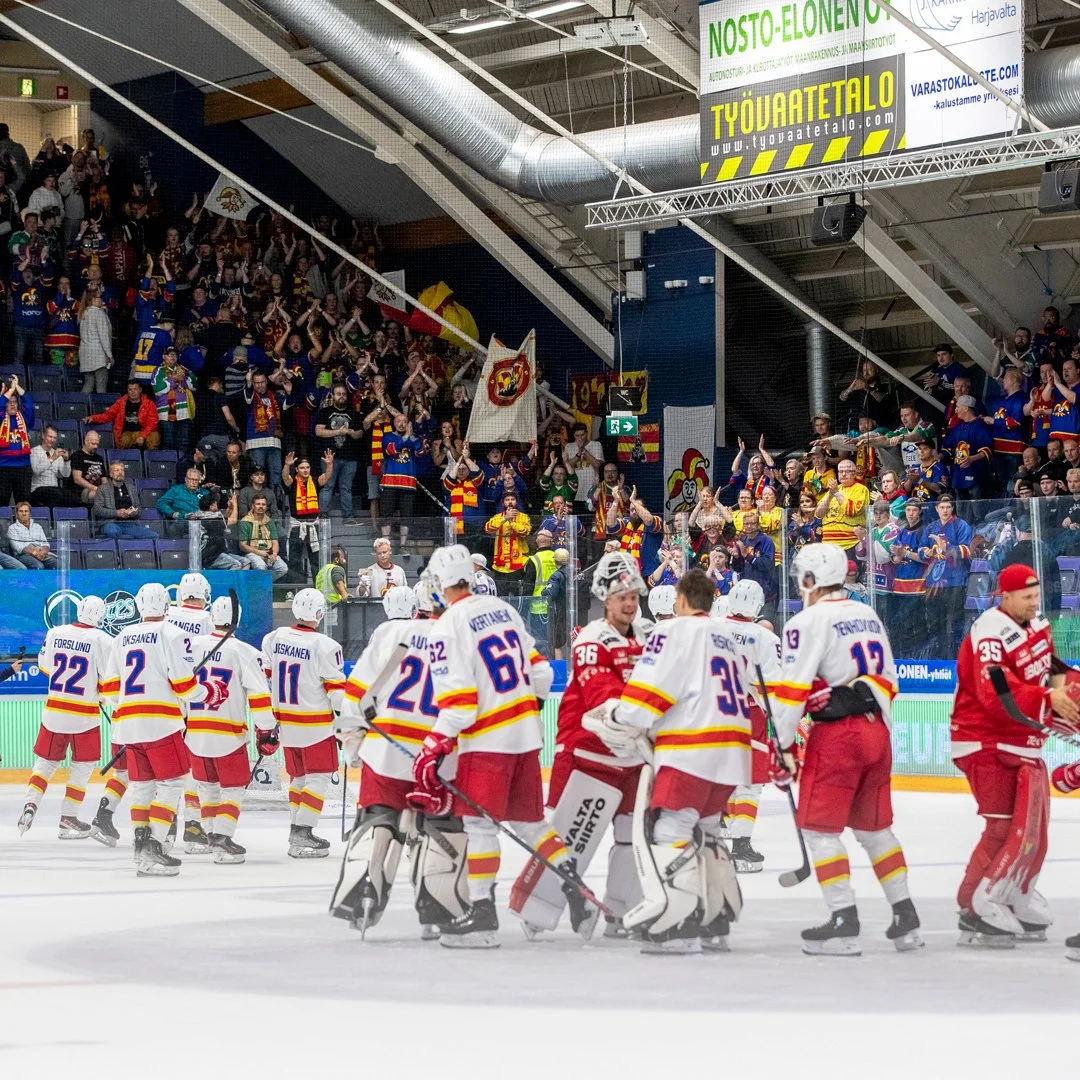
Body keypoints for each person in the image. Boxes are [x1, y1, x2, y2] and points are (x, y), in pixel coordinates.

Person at [410, 544, 594, 948]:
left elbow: (459, 703)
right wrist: (525, 711)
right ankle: (575, 888)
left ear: (441, 584)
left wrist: (432, 744)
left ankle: (482, 916)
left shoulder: (447, 625)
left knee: (479, 826)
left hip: (487, 740)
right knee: (530, 824)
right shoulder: (504, 610)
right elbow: (543, 673)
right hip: (526, 736)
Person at [584, 569, 747, 954]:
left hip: (692, 747)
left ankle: (679, 925)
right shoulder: (729, 636)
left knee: (671, 830)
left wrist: (617, 717)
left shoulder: (674, 631)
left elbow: (647, 697)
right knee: (706, 830)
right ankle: (715, 921)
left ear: (683, 600)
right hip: (732, 749)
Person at [769, 543, 921, 955]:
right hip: (878, 734)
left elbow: (791, 691)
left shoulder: (806, 621)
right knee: (875, 830)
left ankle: (844, 922)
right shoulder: (867, 614)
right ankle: (905, 916)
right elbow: (890, 679)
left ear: (811, 579)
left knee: (819, 830)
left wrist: (780, 746)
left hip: (838, 737)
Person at [510, 551, 648, 939]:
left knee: (629, 837)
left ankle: (621, 913)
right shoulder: (591, 639)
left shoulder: (647, 636)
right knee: (571, 836)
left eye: (633, 595)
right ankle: (538, 910)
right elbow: (603, 699)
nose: (629, 602)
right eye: (622, 596)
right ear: (605, 597)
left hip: (633, 756)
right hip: (589, 754)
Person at [950, 563, 1080, 946]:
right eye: (1026, 597)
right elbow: (996, 695)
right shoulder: (989, 632)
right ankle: (974, 905)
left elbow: (1050, 671)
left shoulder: (1037, 624)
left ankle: (1015, 893)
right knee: (1003, 827)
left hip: (1022, 740)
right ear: (1004, 596)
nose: (1033, 602)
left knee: (1033, 830)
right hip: (984, 740)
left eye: (1036, 595)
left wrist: (1071, 694)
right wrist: (1047, 700)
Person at [333, 584, 469, 938]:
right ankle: (439, 909)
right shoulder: (462, 643)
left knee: (379, 820)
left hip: (385, 751)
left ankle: (361, 895)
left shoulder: (393, 631)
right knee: (439, 828)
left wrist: (353, 739)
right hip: (437, 757)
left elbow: (357, 692)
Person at [104, 582, 226, 877]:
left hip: (128, 725)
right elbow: (184, 686)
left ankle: (140, 845)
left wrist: (129, 707)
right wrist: (210, 691)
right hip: (161, 722)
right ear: (166, 604)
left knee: (142, 787)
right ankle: (155, 846)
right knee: (171, 785)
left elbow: (108, 687)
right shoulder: (173, 634)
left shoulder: (122, 636)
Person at [260, 588, 348, 858]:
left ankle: (297, 831)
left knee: (299, 778)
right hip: (315, 725)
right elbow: (336, 694)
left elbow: (265, 676)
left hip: (285, 723)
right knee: (319, 778)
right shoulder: (326, 645)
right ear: (320, 614)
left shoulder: (273, 638)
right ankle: (303, 832)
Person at [17, 597, 115, 839]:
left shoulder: (55, 633)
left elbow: (45, 667)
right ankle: (68, 819)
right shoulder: (103, 640)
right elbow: (108, 680)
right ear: (100, 616)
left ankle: (30, 804)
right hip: (84, 717)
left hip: (54, 712)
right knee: (82, 768)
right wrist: (101, 695)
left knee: (45, 763)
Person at [187, 595, 274, 865]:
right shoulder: (245, 652)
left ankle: (213, 837)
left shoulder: (191, 647)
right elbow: (259, 698)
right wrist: (267, 731)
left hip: (195, 734)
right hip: (228, 735)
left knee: (207, 789)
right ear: (237, 620)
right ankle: (223, 838)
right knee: (233, 790)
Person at [716, 579, 783, 874]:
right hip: (748, 714)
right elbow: (771, 686)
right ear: (757, 606)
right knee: (749, 783)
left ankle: (711, 841)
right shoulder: (764, 637)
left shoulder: (711, 629)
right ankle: (741, 847)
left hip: (714, 711)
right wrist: (780, 719)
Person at [282, 451, 334, 584]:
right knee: (294, 559)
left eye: (307, 467)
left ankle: (319, 589)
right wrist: (287, 465)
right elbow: (285, 478)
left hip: (313, 526)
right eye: (302, 468)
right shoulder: (293, 482)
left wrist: (329, 464)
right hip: (296, 526)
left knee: (316, 560)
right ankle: (295, 589)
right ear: (297, 469)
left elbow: (327, 477)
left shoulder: (315, 481)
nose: (305, 470)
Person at [314, 382, 362, 518]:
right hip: (330, 457)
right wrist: (338, 431)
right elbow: (318, 431)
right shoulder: (325, 411)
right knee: (328, 486)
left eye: (344, 394)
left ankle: (349, 516)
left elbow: (360, 433)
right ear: (333, 396)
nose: (341, 397)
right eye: (338, 394)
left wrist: (352, 433)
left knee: (346, 488)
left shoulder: (354, 412)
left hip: (350, 457)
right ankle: (322, 514)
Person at [380, 410, 425, 549]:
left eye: (404, 422)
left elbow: (421, 452)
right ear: (394, 423)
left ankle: (403, 545)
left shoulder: (413, 438)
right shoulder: (388, 436)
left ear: (408, 424)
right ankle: (385, 545)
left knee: (406, 515)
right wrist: (406, 437)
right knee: (386, 514)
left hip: (408, 484)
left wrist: (412, 437)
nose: (401, 424)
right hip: (390, 482)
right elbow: (391, 450)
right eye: (398, 421)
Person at [86, 381, 161, 451]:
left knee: (154, 437)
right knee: (124, 440)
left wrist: (142, 436)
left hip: (144, 431)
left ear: (140, 390)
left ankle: (152, 461)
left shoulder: (149, 403)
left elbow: (153, 423)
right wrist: (93, 418)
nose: (133, 392)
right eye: (130, 389)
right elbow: (108, 415)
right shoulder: (121, 402)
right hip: (128, 433)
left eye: (135, 389)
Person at [152, 345, 197, 458]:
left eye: (175, 354)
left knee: (184, 443)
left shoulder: (183, 369)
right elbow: (158, 389)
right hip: (166, 414)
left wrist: (185, 376)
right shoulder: (159, 370)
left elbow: (194, 386)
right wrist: (174, 379)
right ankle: (169, 468)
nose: (172, 356)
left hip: (184, 413)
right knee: (169, 443)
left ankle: (182, 468)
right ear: (164, 357)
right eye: (169, 354)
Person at [92, 461, 156, 540]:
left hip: (130, 524)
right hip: (111, 523)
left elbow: (139, 508)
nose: (120, 473)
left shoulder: (131, 488)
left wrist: (135, 512)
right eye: (117, 470)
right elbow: (97, 510)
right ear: (111, 474)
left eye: (122, 470)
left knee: (153, 535)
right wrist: (116, 513)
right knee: (112, 532)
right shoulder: (102, 489)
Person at [485, 492, 532, 594]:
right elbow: (488, 528)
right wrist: (504, 518)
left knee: (517, 595)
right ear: (503, 503)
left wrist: (512, 523)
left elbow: (525, 532)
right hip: (500, 565)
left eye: (512, 499)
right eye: (507, 500)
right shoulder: (498, 517)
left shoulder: (524, 517)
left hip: (518, 563)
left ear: (516, 502)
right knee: (501, 594)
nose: (510, 502)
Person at [0, 375, 34, 507]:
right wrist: (9, 391)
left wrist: (17, 387)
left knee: (24, 503)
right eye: (9, 402)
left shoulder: (25, 419)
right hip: (3, 467)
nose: (12, 404)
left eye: (15, 402)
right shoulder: (1, 418)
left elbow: (29, 402)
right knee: (2, 502)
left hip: (23, 467)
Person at [238, 494, 288, 579]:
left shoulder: (269, 522)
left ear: (266, 507)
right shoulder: (245, 522)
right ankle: (261, 587)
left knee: (282, 568)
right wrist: (259, 552)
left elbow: (275, 542)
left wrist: (274, 554)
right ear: (253, 506)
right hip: (252, 553)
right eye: (258, 504)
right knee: (261, 566)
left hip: (269, 552)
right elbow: (242, 546)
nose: (261, 507)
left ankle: (259, 585)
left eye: (263, 504)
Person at [77, 286, 113, 393]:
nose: (101, 299)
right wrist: (109, 355)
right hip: (98, 355)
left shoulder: (83, 314)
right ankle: (101, 409)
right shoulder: (99, 313)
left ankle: (81, 407)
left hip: (85, 354)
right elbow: (104, 337)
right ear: (93, 299)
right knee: (101, 386)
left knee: (88, 383)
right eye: (99, 297)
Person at [29, 424, 73, 508]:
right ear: (43, 436)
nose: (52, 440)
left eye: (54, 438)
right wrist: (52, 458)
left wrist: (67, 460)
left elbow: (65, 474)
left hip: (54, 489)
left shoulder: (56, 453)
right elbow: (36, 470)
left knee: (70, 496)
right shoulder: (34, 451)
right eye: (50, 436)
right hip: (38, 489)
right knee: (55, 495)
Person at [8, 501, 56, 569]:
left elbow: (45, 543)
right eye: (21, 511)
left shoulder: (37, 526)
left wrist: (43, 551)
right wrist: (34, 553)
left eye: (26, 511)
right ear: (16, 514)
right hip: (22, 555)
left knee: (57, 563)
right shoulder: (12, 528)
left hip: (40, 552)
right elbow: (17, 547)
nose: (24, 513)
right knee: (39, 566)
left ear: (30, 513)